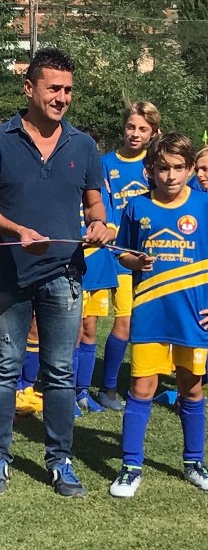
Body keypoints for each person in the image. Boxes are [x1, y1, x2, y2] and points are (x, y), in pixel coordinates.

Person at [0, 47, 111, 497]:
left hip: (65, 275)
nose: (62, 97)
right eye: (53, 88)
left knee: (60, 371)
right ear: (29, 88)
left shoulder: (84, 145)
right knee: (4, 366)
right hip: (8, 274)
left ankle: (60, 459)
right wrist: (16, 230)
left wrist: (99, 224)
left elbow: (94, 203)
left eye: (68, 90)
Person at [109, 133, 208, 497]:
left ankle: (194, 462)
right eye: (163, 168)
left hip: (193, 316)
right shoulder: (136, 207)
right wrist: (133, 261)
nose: (170, 176)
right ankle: (130, 466)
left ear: (190, 169)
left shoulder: (204, 205)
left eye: (178, 168)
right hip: (150, 312)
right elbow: (122, 252)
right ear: (150, 170)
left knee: (191, 387)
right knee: (141, 387)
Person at [100, 102, 161, 410]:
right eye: (131, 127)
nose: (135, 134)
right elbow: (100, 203)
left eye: (143, 129)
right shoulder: (105, 163)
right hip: (119, 253)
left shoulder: (157, 165)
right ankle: (108, 388)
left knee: (150, 321)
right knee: (123, 321)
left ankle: (149, 382)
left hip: (152, 256)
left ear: (154, 133)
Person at [73, 126, 119, 415]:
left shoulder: (100, 189)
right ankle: (66, 392)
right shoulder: (64, 182)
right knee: (74, 331)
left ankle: (82, 391)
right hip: (72, 265)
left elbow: (112, 227)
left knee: (90, 329)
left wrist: (103, 232)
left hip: (98, 266)